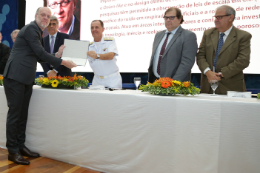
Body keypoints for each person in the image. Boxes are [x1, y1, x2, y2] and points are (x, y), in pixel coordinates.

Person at [3, 7, 76, 165]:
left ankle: (21, 146)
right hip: (15, 77)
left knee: (22, 115)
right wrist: (63, 61)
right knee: (15, 115)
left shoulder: (37, 31)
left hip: (25, 78)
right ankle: (12, 151)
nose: (45, 18)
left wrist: (57, 55)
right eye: (43, 15)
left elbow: (39, 56)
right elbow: (41, 53)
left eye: (48, 16)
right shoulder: (31, 29)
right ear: (36, 16)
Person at [196, 5, 251, 94]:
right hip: (208, 85)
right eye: (215, 17)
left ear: (231, 17)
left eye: (219, 17)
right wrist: (208, 72)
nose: (216, 20)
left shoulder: (243, 36)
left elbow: (243, 60)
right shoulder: (208, 33)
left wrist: (221, 74)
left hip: (231, 86)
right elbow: (200, 55)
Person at [148, 7, 198, 83]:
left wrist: (174, 82)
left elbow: (187, 62)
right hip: (155, 81)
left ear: (179, 19)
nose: (168, 20)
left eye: (171, 17)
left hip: (174, 85)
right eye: (166, 17)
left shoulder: (188, 36)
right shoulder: (158, 35)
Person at [87, 20, 122, 89]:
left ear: (103, 29)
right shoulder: (88, 45)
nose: (94, 30)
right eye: (92, 28)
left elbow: (111, 55)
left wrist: (97, 56)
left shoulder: (110, 41)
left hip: (112, 80)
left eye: (97, 27)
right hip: (97, 81)